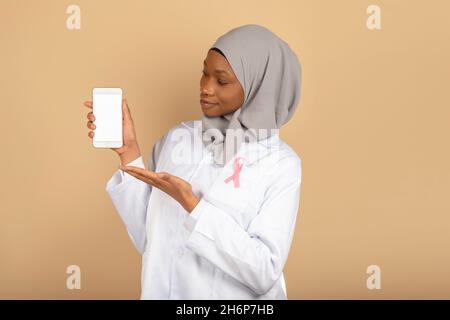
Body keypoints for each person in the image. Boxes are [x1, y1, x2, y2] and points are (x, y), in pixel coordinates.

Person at [83, 24, 302, 299]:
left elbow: (263, 272)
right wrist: (129, 152)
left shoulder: (281, 163)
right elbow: (150, 240)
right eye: (204, 73)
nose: (205, 88)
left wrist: (192, 206)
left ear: (258, 86)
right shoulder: (178, 139)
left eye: (221, 81)